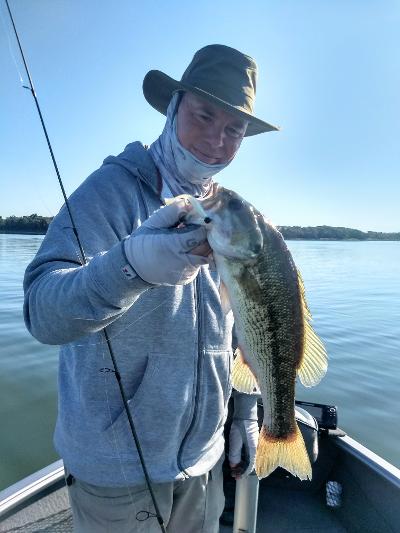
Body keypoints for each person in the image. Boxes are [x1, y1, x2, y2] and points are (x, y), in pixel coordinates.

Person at [23, 44, 279, 532]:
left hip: (204, 463)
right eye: (205, 115)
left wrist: (246, 412)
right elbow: (42, 311)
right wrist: (132, 265)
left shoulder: (231, 216)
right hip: (118, 474)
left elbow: (248, 325)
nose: (216, 141)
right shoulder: (111, 190)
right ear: (173, 106)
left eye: (235, 129)